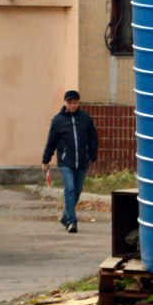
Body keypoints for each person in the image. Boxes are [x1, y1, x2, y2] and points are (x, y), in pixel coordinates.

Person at [42, 89, 99, 233]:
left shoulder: (85, 118)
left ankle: (65, 215)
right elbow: (51, 142)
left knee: (77, 191)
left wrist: (92, 153)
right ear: (65, 103)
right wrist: (46, 160)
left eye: (75, 103)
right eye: (70, 103)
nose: (73, 105)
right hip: (66, 162)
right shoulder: (58, 120)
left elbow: (93, 137)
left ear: (78, 103)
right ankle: (71, 222)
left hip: (82, 161)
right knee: (70, 189)